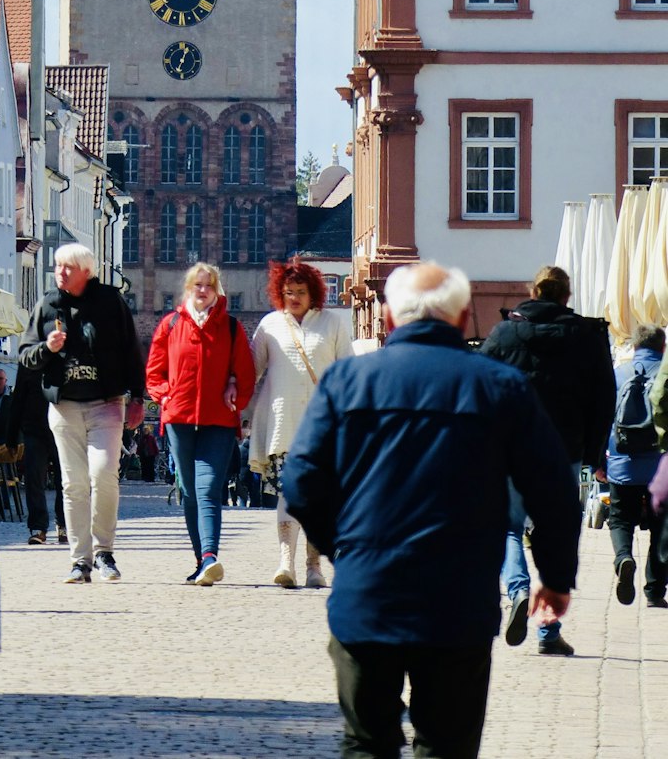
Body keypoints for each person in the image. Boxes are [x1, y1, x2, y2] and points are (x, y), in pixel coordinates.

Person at [283, 262, 581, 759]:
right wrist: (554, 577)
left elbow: (301, 482)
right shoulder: (499, 387)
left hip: (368, 594)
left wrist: (345, 549)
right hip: (458, 598)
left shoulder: (346, 382)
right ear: (464, 317)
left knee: (366, 743)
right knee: (446, 745)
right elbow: (551, 490)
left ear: (388, 318)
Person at [480, 264, 616, 655]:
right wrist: (594, 452)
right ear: (566, 296)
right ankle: (547, 631)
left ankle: (518, 591)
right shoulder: (588, 337)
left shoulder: (505, 332)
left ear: (534, 292)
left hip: (512, 449)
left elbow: (480, 386)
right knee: (555, 537)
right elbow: (604, 399)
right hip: (564, 452)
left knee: (508, 527)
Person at [19, 243, 145, 583]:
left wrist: (138, 397)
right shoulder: (47, 304)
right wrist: (47, 347)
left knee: (104, 474)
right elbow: (25, 355)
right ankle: (80, 560)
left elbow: (132, 349)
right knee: (73, 484)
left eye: (67, 267)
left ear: (86, 271)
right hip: (64, 406)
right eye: (58, 266)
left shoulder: (109, 301)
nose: (60, 272)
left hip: (106, 402)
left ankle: (104, 551)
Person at [247, 258, 355, 589]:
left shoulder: (333, 324)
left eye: (300, 292)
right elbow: (251, 371)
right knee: (288, 496)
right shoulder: (269, 325)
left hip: (323, 429)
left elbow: (347, 372)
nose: (294, 297)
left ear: (313, 293)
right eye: (288, 292)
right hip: (282, 423)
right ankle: (285, 562)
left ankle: (313, 566)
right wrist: (239, 411)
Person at [146, 262, 255, 586]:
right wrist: (166, 396)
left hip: (218, 421)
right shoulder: (171, 325)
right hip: (179, 418)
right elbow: (154, 373)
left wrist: (236, 394)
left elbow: (246, 373)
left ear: (217, 290)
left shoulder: (231, 328)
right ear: (189, 289)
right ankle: (201, 560)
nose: (203, 290)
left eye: (209, 285)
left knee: (208, 489)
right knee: (188, 491)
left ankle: (210, 555)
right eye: (198, 285)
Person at [597, 325, 667, 608]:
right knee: (662, 526)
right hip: (660, 466)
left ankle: (623, 556)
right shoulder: (664, 373)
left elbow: (601, 421)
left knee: (620, 518)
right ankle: (654, 590)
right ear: (662, 347)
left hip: (621, 462)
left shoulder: (617, 375)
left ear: (634, 347)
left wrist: (598, 461)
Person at [6, 363, 66, 546]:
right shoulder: (28, 362)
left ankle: (64, 524)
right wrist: (11, 437)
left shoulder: (67, 355)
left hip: (64, 429)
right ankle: (38, 528)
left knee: (66, 481)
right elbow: (18, 399)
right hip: (34, 430)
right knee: (34, 480)